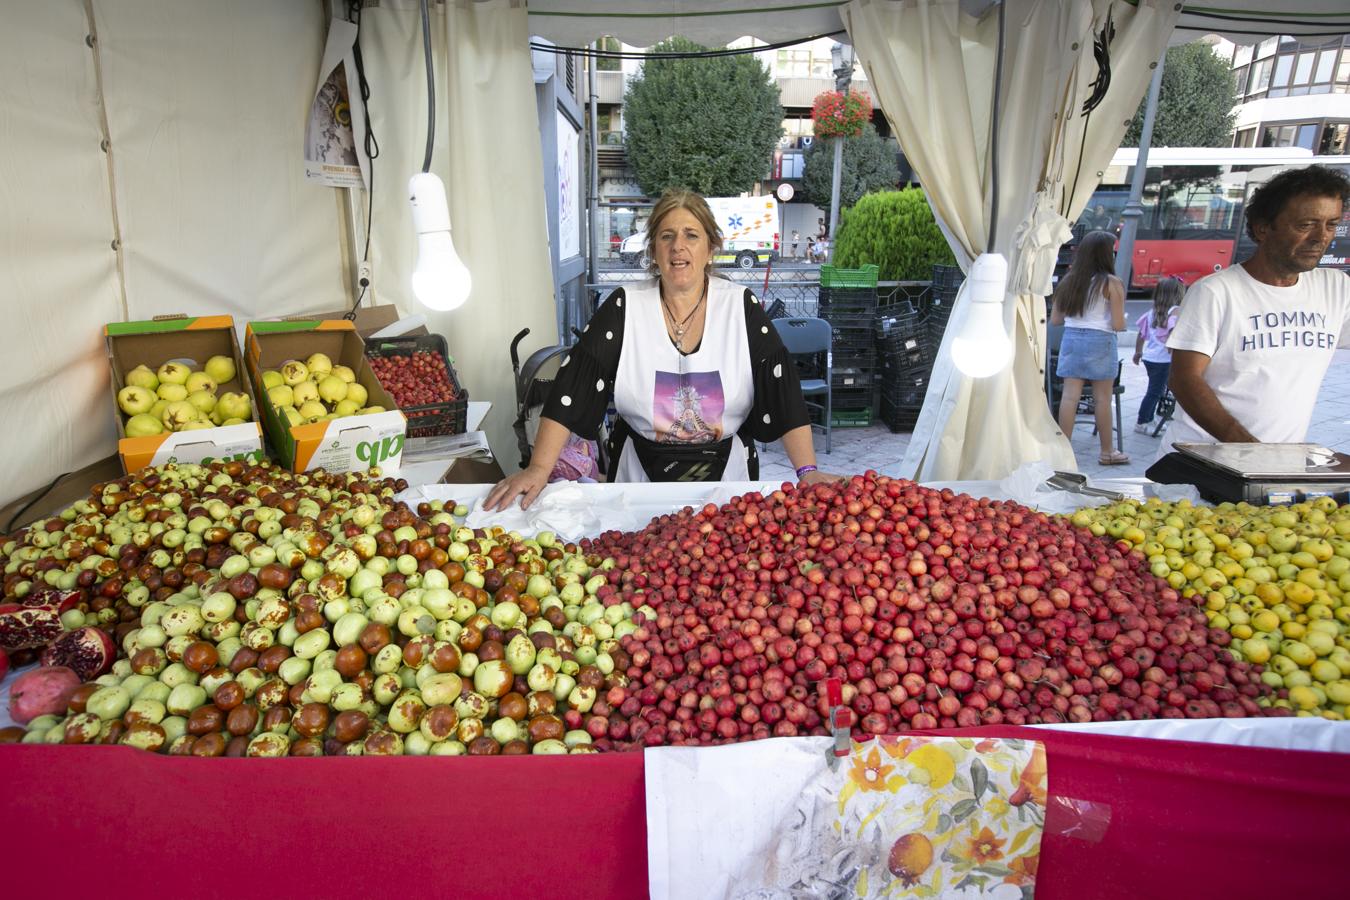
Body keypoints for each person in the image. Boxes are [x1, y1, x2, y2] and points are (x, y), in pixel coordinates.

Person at [485, 189, 841, 510]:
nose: (678, 247)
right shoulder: (625, 306)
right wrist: (538, 468)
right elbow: (573, 386)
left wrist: (807, 471)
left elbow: (783, 389)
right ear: (654, 248)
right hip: (638, 479)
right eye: (666, 236)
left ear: (710, 247)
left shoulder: (740, 307)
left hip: (727, 481)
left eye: (691, 235)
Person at [1161, 165, 1350, 452]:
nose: (1320, 237)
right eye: (1305, 225)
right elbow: (1185, 378)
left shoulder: (1336, 287)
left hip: (1278, 464)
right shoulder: (1215, 292)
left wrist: (1266, 462)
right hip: (1202, 463)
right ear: (1263, 227)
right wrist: (1249, 450)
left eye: (1331, 224)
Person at [1050, 230, 1129, 465]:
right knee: (1103, 399)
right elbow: (1117, 324)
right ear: (1106, 255)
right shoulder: (1112, 283)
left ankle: (1063, 453)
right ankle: (1107, 453)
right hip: (1100, 341)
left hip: (1072, 338)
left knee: (1069, 397)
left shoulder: (1069, 281)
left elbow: (1056, 320)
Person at [1131, 276, 1185, 435]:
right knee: (1154, 392)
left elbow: (1141, 334)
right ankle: (1142, 422)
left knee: (1155, 390)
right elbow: (1173, 332)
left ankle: (1149, 417)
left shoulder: (1152, 311)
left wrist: (1138, 352)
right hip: (1164, 360)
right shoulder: (1175, 310)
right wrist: (1172, 349)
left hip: (1150, 358)